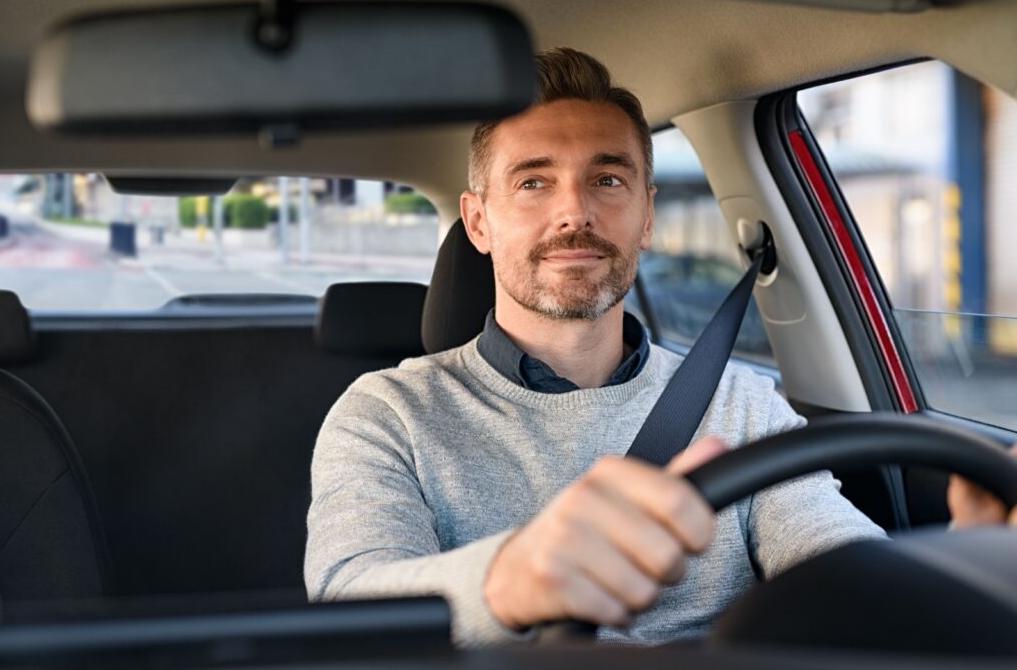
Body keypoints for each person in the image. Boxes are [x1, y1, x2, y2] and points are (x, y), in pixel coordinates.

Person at [305, 48, 1013, 647]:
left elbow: (838, 564)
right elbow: (349, 600)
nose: (574, 211)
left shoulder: (740, 403)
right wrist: (511, 576)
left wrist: (967, 562)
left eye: (608, 179)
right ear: (479, 221)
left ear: (646, 215)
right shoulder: (387, 412)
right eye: (533, 182)